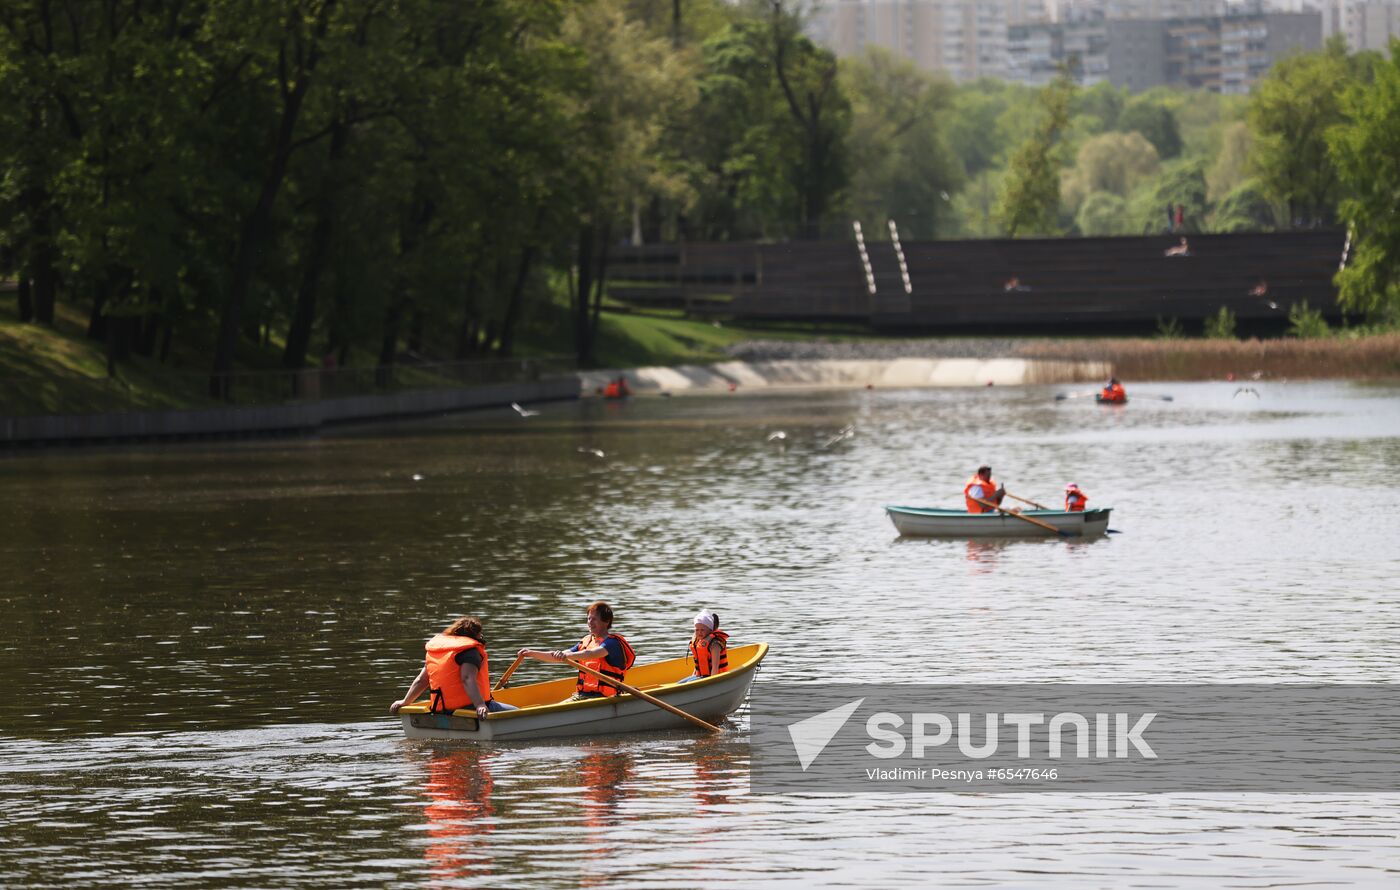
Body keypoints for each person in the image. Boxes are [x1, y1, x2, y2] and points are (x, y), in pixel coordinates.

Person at [389, 616, 518, 719]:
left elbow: (421, 680)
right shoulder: (470, 651)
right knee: (517, 713)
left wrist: (405, 702)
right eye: (480, 634)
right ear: (475, 634)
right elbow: (467, 678)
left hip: (442, 710)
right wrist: (480, 705)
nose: (481, 637)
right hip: (470, 708)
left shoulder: (438, 651)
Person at [518, 600, 636, 701]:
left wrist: (566, 657)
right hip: (582, 695)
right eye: (588, 619)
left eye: (594, 619)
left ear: (606, 622)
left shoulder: (612, 643)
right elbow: (558, 656)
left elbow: (591, 654)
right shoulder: (586, 642)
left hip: (605, 697)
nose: (590, 622)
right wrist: (531, 653)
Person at [680, 610, 729, 683]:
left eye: (702, 630)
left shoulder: (715, 644)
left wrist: (712, 683)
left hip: (715, 676)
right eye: (697, 630)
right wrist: (692, 677)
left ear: (709, 630)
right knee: (680, 683)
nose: (699, 632)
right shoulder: (698, 642)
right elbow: (699, 664)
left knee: (686, 683)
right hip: (702, 676)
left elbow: (715, 667)